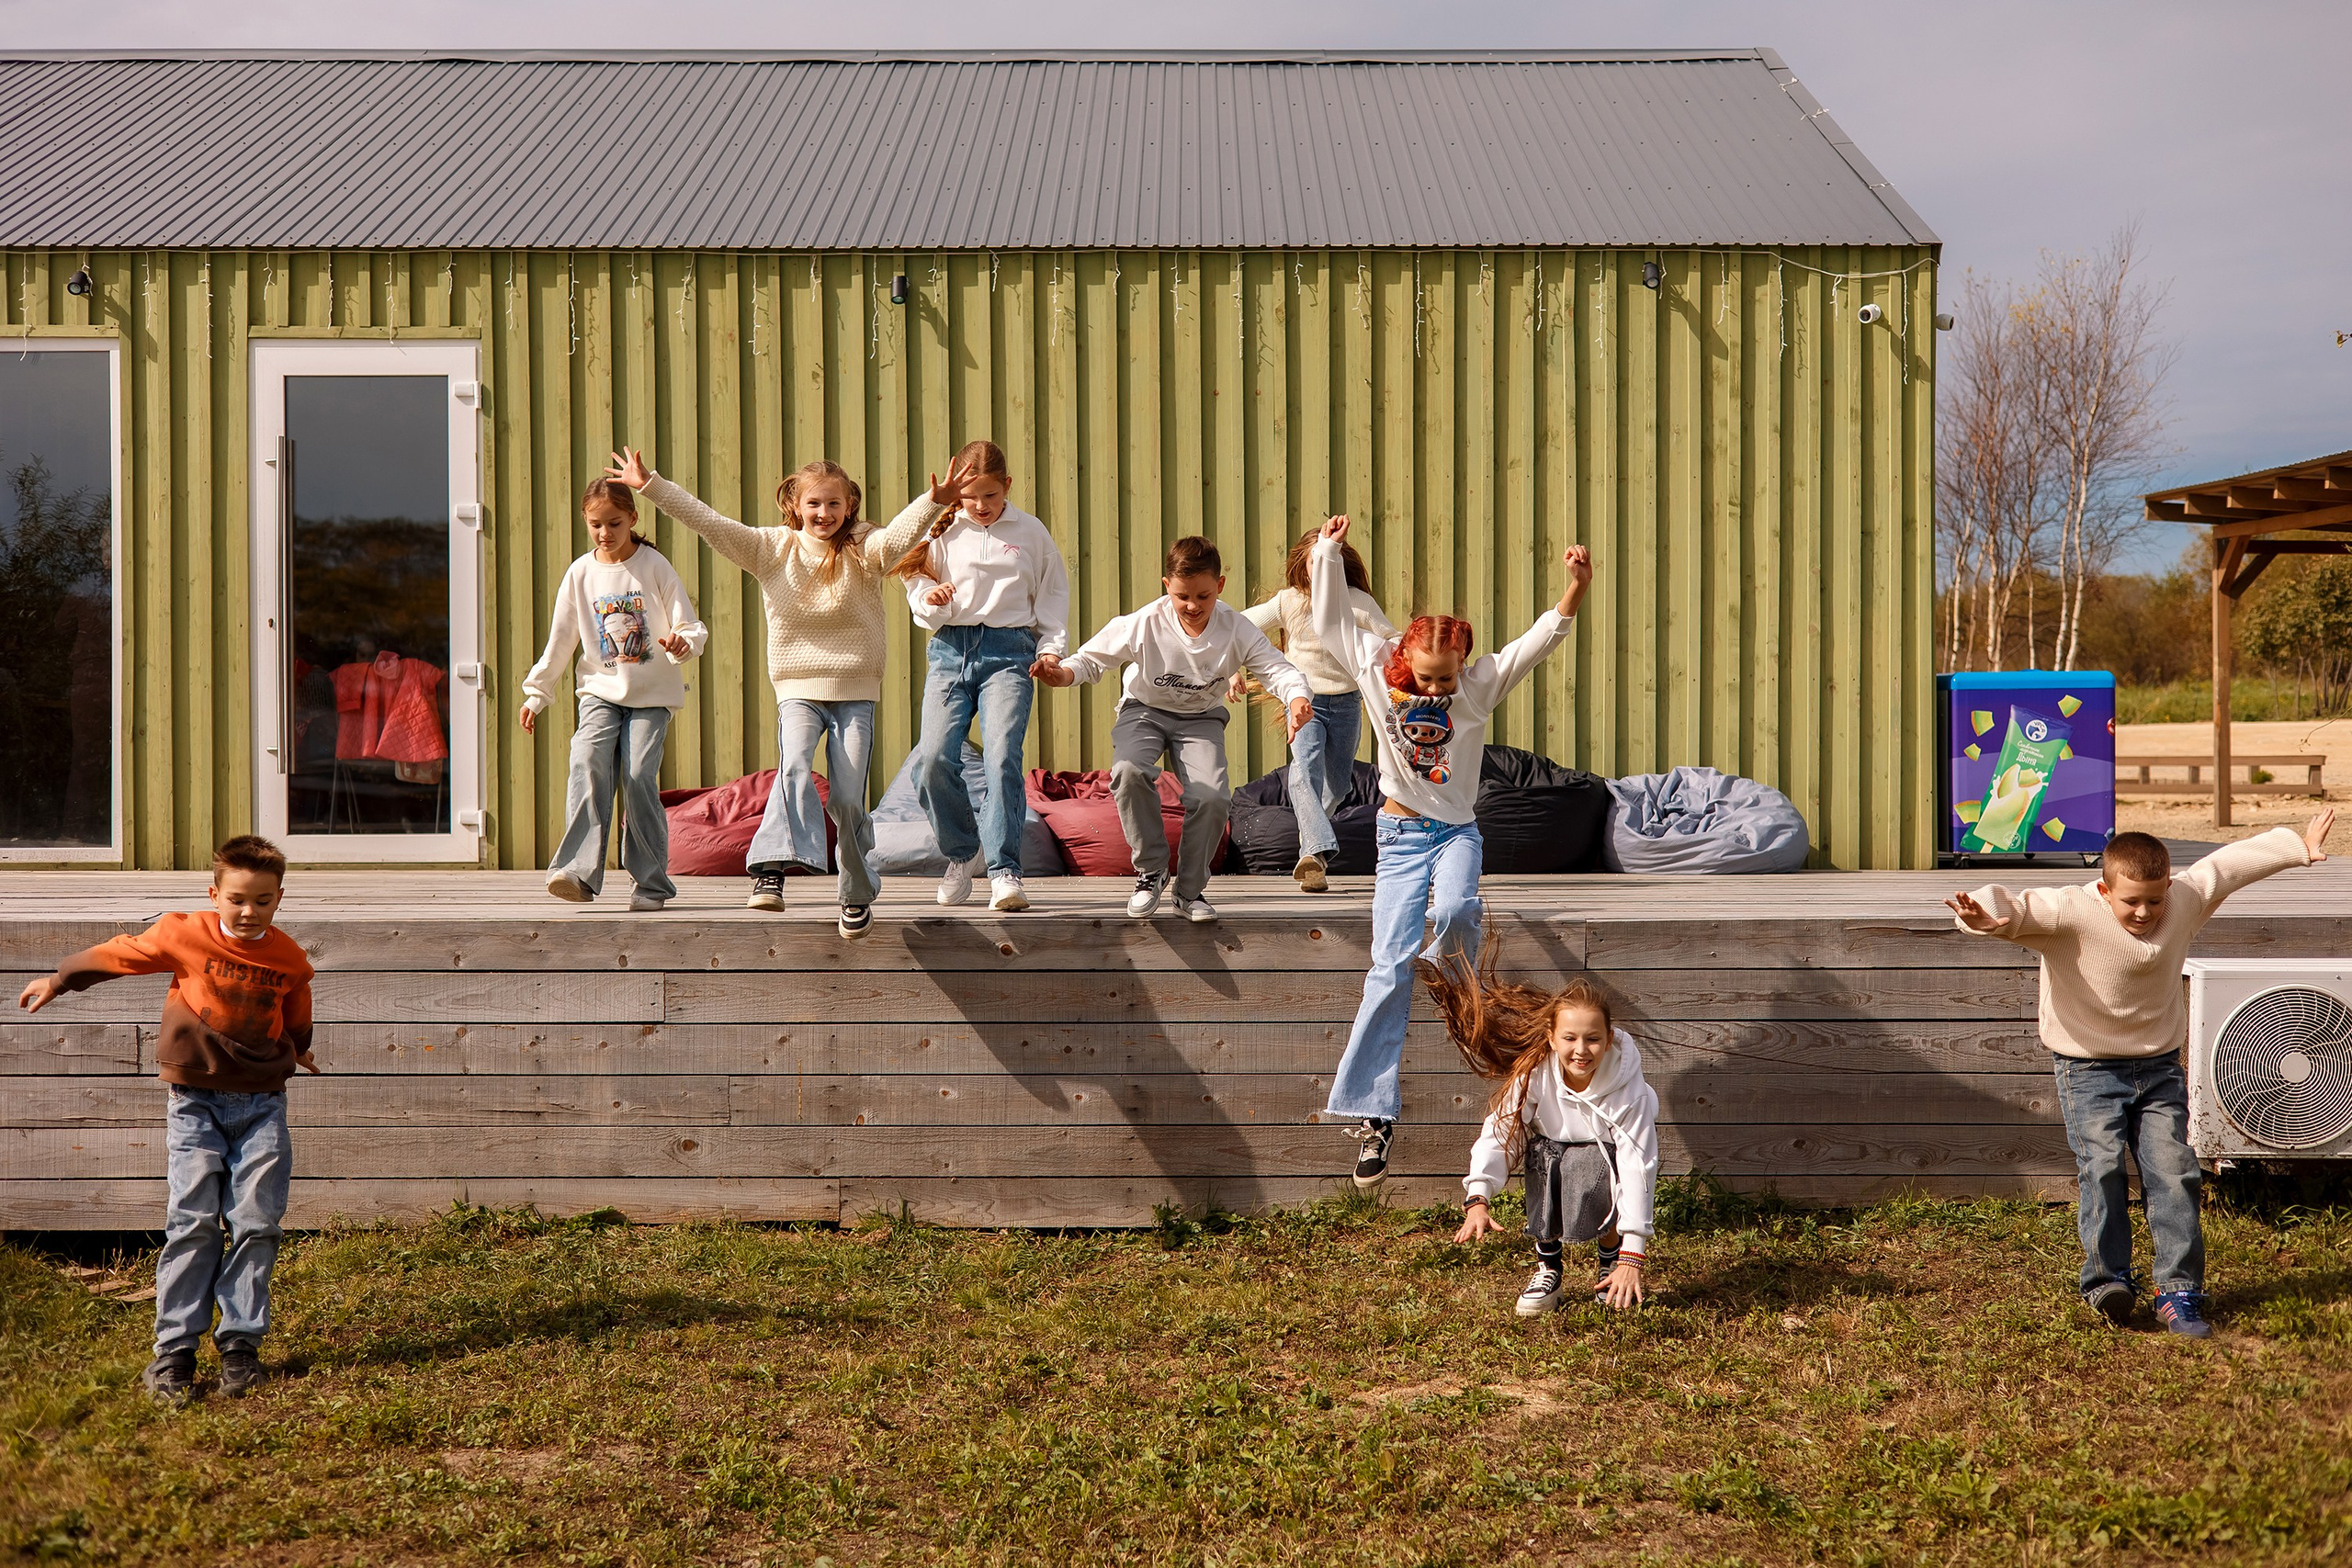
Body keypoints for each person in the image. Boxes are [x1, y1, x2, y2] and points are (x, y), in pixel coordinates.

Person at [1948, 810, 2335, 1337]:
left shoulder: (2184, 900)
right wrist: (1980, 915)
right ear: (2105, 891)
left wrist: (2296, 847)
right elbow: (2014, 907)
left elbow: (2226, 866)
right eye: (2131, 901)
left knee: (2174, 1171)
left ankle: (2179, 1292)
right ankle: (2107, 1280)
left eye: (2155, 899)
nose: (2145, 911)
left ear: (2168, 886)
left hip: (2157, 1067)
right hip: (2087, 1067)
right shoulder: (2071, 911)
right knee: (2103, 1167)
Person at [1310, 513, 1593, 1188]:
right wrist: (1327, 552)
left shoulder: (1477, 684)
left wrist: (1574, 590)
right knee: (1387, 965)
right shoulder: (1378, 670)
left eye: (1446, 679)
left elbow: (1535, 643)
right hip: (1400, 837)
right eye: (1427, 678)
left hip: (1458, 831)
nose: (1437, 690)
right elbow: (1328, 621)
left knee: (1461, 908)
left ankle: (1443, 967)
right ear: (1406, 660)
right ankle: (1373, 1116)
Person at [606, 446, 966, 938]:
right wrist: (652, 486)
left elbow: (901, 536)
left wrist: (933, 501)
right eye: (814, 504)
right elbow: (709, 523)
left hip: (856, 689)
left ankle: (856, 892)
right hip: (798, 685)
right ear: (796, 505)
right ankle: (771, 868)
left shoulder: (865, 547)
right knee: (794, 766)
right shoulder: (772, 548)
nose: (825, 514)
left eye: (835, 504)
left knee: (847, 798)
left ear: (850, 506)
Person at [17, 836, 317, 1402]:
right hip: (195, 1102)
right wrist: (60, 978)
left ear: (279, 898)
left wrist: (299, 1047)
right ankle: (174, 1353)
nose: (248, 912)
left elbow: (295, 1007)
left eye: (263, 900)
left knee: (257, 1223)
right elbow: (121, 953)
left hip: (262, 1104)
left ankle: (240, 1348)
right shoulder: (184, 933)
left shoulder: (288, 958)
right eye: (237, 899)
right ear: (215, 894)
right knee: (194, 1221)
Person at [1035, 536, 1314, 923]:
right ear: (1167, 585)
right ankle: (1151, 872)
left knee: (1212, 797)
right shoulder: (1145, 622)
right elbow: (1090, 659)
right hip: (1144, 710)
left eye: (1203, 596)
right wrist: (1062, 674)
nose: (1192, 606)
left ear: (1219, 586)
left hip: (1201, 718)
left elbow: (1277, 669)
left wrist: (1297, 697)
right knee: (1128, 772)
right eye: (1182, 596)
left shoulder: (1236, 628)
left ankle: (1188, 891)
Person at [889, 439, 1070, 913]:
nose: (981, 506)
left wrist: (1051, 651)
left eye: (990, 495)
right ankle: (962, 852)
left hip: (1010, 655)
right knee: (931, 760)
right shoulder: (940, 530)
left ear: (1007, 487)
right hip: (951, 651)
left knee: (1002, 757)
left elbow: (1052, 601)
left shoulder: (1031, 533)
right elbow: (914, 581)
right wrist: (932, 598)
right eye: (971, 497)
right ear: (958, 495)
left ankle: (1004, 870)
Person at [1428, 951, 1657, 1315]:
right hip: (1551, 1150)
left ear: (1610, 1038)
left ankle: (1610, 1265)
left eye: (1593, 1039)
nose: (1581, 1051)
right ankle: (1548, 1270)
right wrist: (1478, 1196)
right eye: (1570, 1038)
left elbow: (1638, 1166)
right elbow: (1502, 1130)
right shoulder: (1534, 1073)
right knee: (1545, 1155)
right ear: (1551, 1038)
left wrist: (1633, 1256)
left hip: (1605, 1160)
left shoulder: (1630, 1090)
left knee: (1593, 1161)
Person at [520, 479, 707, 912]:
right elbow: (561, 640)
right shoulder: (580, 574)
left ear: (633, 519)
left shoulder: (654, 566)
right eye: (596, 525)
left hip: (651, 696)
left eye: (614, 523)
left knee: (639, 776)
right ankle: (577, 872)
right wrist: (536, 693)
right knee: (587, 760)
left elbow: (689, 625)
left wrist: (683, 643)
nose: (605, 533)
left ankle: (651, 885)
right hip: (600, 692)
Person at [1235, 526, 1398, 892]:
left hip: (1346, 703)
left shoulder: (1356, 602)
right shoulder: (1289, 601)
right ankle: (1317, 850)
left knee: (1338, 787)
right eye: (1316, 561)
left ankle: (1311, 851)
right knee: (1303, 768)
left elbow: (1391, 641)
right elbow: (1238, 627)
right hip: (1303, 699)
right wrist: (1232, 667)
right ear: (1304, 566)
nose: (1324, 567)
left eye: (1333, 559)